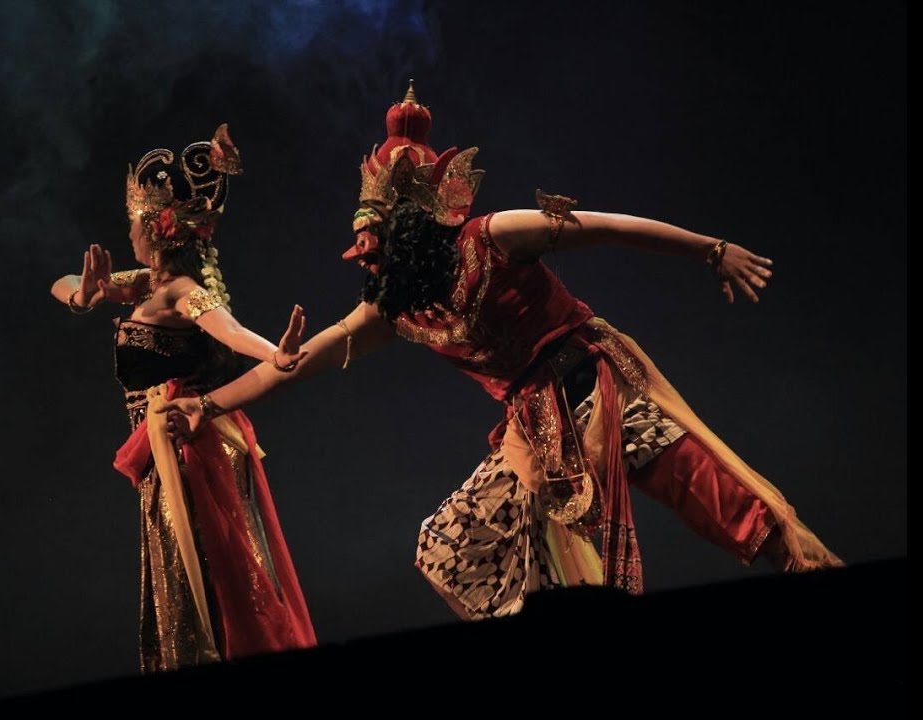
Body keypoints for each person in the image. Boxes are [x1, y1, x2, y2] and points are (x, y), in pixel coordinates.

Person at [159, 86, 843, 621]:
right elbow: (300, 362)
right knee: (450, 545)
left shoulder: (492, 237)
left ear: (410, 230)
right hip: (534, 431)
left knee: (726, 503)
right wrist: (206, 405)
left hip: (598, 389)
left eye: (373, 241)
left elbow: (607, 226)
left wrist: (711, 251)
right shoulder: (393, 311)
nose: (364, 257)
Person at [51, 125, 316, 668]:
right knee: (185, 573)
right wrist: (85, 294)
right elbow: (61, 282)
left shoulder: (181, 291)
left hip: (190, 449)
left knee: (205, 574)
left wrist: (276, 353)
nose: (128, 231)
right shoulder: (147, 283)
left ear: (155, 228)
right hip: (162, 448)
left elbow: (229, 330)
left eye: (134, 221)